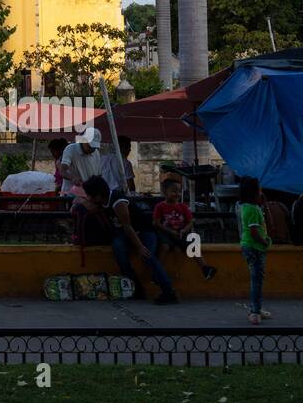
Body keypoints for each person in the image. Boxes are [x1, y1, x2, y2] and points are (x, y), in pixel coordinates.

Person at [80, 174, 178, 304]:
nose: (89, 198)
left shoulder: (118, 203)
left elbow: (128, 227)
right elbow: (87, 205)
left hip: (143, 231)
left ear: (98, 195)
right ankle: (135, 287)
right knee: (118, 250)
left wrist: (140, 247)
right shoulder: (102, 201)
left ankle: (168, 290)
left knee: (147, 256)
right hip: (126, 234)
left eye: (90, 195)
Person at [153, 175, 217, 280]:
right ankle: (157, 272)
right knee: (164, 247)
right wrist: (169, 231)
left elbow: (190, 222)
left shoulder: (183, 207)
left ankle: (205, 268)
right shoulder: (160, 206)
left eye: (178, 191)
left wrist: (183, 230)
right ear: (165, 191)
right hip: (166, 234)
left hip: (180, 233)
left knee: (193, 246)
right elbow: (156, 223)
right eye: (174, 191)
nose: (177, 194)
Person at [238, 176, 272, 324]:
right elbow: (253, 232)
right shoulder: (251, 209)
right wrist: (264, 242)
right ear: (253, 192)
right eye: (259, 189)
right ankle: (254, 312)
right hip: (255, 248)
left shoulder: (251, 207)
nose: (261, 192)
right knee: (257, 280)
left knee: (257, 279)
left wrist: (264, 204)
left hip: (253, 247)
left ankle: (257, 308)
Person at [60, 127, 104, 197]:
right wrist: (73, 178)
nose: (92, 149)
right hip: (70, 195)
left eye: (94, 147)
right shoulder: (70, 149)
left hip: (88, 195)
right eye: (90, 146)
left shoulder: (96, 153)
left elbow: (98, 174)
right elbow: (63, 171)